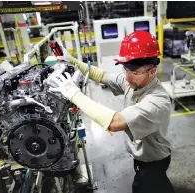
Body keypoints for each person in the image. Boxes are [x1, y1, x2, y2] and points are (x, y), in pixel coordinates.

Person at [48, 31, 175, 193]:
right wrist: (71, 60)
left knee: (143, 186)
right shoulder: (133, 81)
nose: (128, 78)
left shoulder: (157, 101)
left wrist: (73, 94)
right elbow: (102, 76)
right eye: (126, 70)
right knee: (159, 185)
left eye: (134, 73)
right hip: (143, 156)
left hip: (154, 159)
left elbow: (115, 122)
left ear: (153, 72)